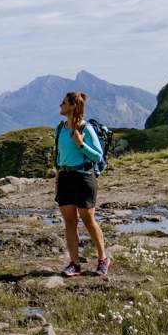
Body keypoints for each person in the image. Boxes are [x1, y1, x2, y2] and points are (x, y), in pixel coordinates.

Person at [55, 91, 110, 277]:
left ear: (72, 106)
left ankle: (103, 259)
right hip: (64, 178)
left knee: (88, 220)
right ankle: (75, 264)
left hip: (84, 177)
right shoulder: (60, 128)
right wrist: (58, 179)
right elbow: (58, 156)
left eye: (63, 103)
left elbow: (97, 156)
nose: (60, 105)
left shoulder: (86, 129)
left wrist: (81, 144)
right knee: (69, 222)